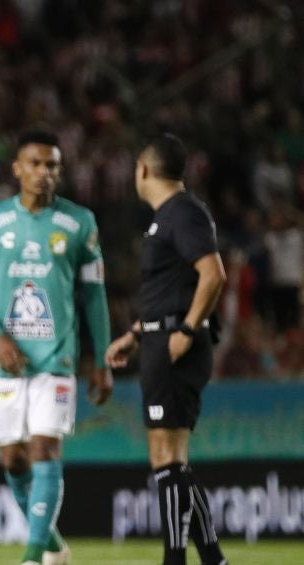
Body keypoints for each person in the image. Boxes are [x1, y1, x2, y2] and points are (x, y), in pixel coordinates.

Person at [0, 130, 112, 565]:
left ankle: (31, 557)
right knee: (13, 460)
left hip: (56, 356)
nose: (44, 172)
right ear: (17, 169)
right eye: (35, 163)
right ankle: (54, 547)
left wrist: (100, 360)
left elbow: (94, 296)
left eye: (52, 165)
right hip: (4, 359)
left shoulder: (80, 222)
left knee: (44, 448)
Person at [105, 134, 228, 565]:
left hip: (176, 345)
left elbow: (213, 275)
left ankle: (174, 559)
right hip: (160, 339)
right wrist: (137, 334)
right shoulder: (171, 216)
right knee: (172, 461)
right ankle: (212, 558)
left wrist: (188, 332)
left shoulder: (183, 213)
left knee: (167, 457)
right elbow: (172, 291)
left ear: (143, 170)